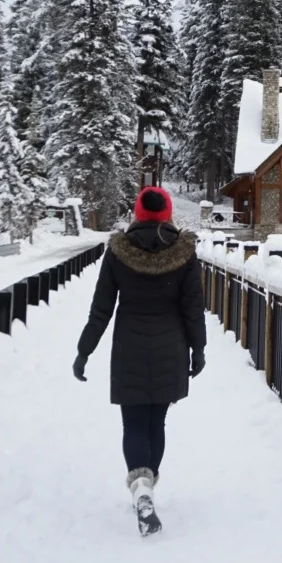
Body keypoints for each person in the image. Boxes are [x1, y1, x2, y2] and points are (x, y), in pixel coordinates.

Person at [73, 186, 206, 535]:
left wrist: (84, 351)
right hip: (170, 347)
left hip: (129, 346)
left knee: (133, 424)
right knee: (156, 422)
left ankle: (140, 487)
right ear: (168, 213)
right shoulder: (184, 253)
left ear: (137, 213)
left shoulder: (118, 251)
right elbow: (193, 308)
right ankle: (147, 486)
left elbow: (101, 308)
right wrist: (199, 349)